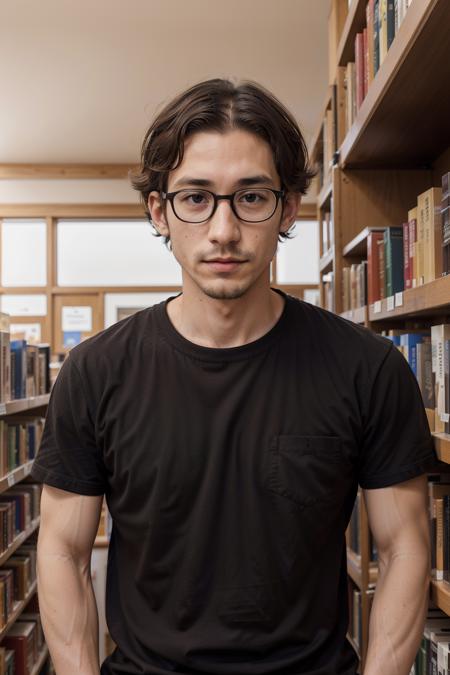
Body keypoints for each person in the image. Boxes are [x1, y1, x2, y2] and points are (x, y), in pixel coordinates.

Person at [32, 78, 435, 675]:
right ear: (159, 211)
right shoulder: (96, 371)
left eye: (251, 197)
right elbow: (63, 549)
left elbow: (404, 548)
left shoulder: (368, 369)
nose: (223, 230)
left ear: (288, 209)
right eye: (196, 198)